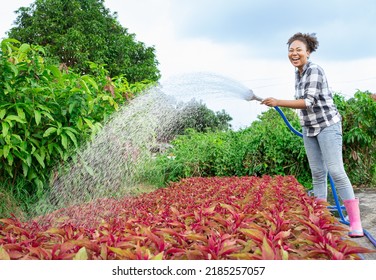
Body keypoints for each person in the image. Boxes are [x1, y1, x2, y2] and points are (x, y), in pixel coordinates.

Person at [261, 32, 363, 237]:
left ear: (308, 52)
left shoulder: (314, 70)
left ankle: (356, 224)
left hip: (327, 126)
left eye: (299, 50)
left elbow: (308, 102)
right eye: (291, 50)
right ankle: (321, 220)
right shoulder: (298, 73)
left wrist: (278, 101)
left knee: (336, 171)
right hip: (309, 128)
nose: (294, 53)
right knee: (317, 173)